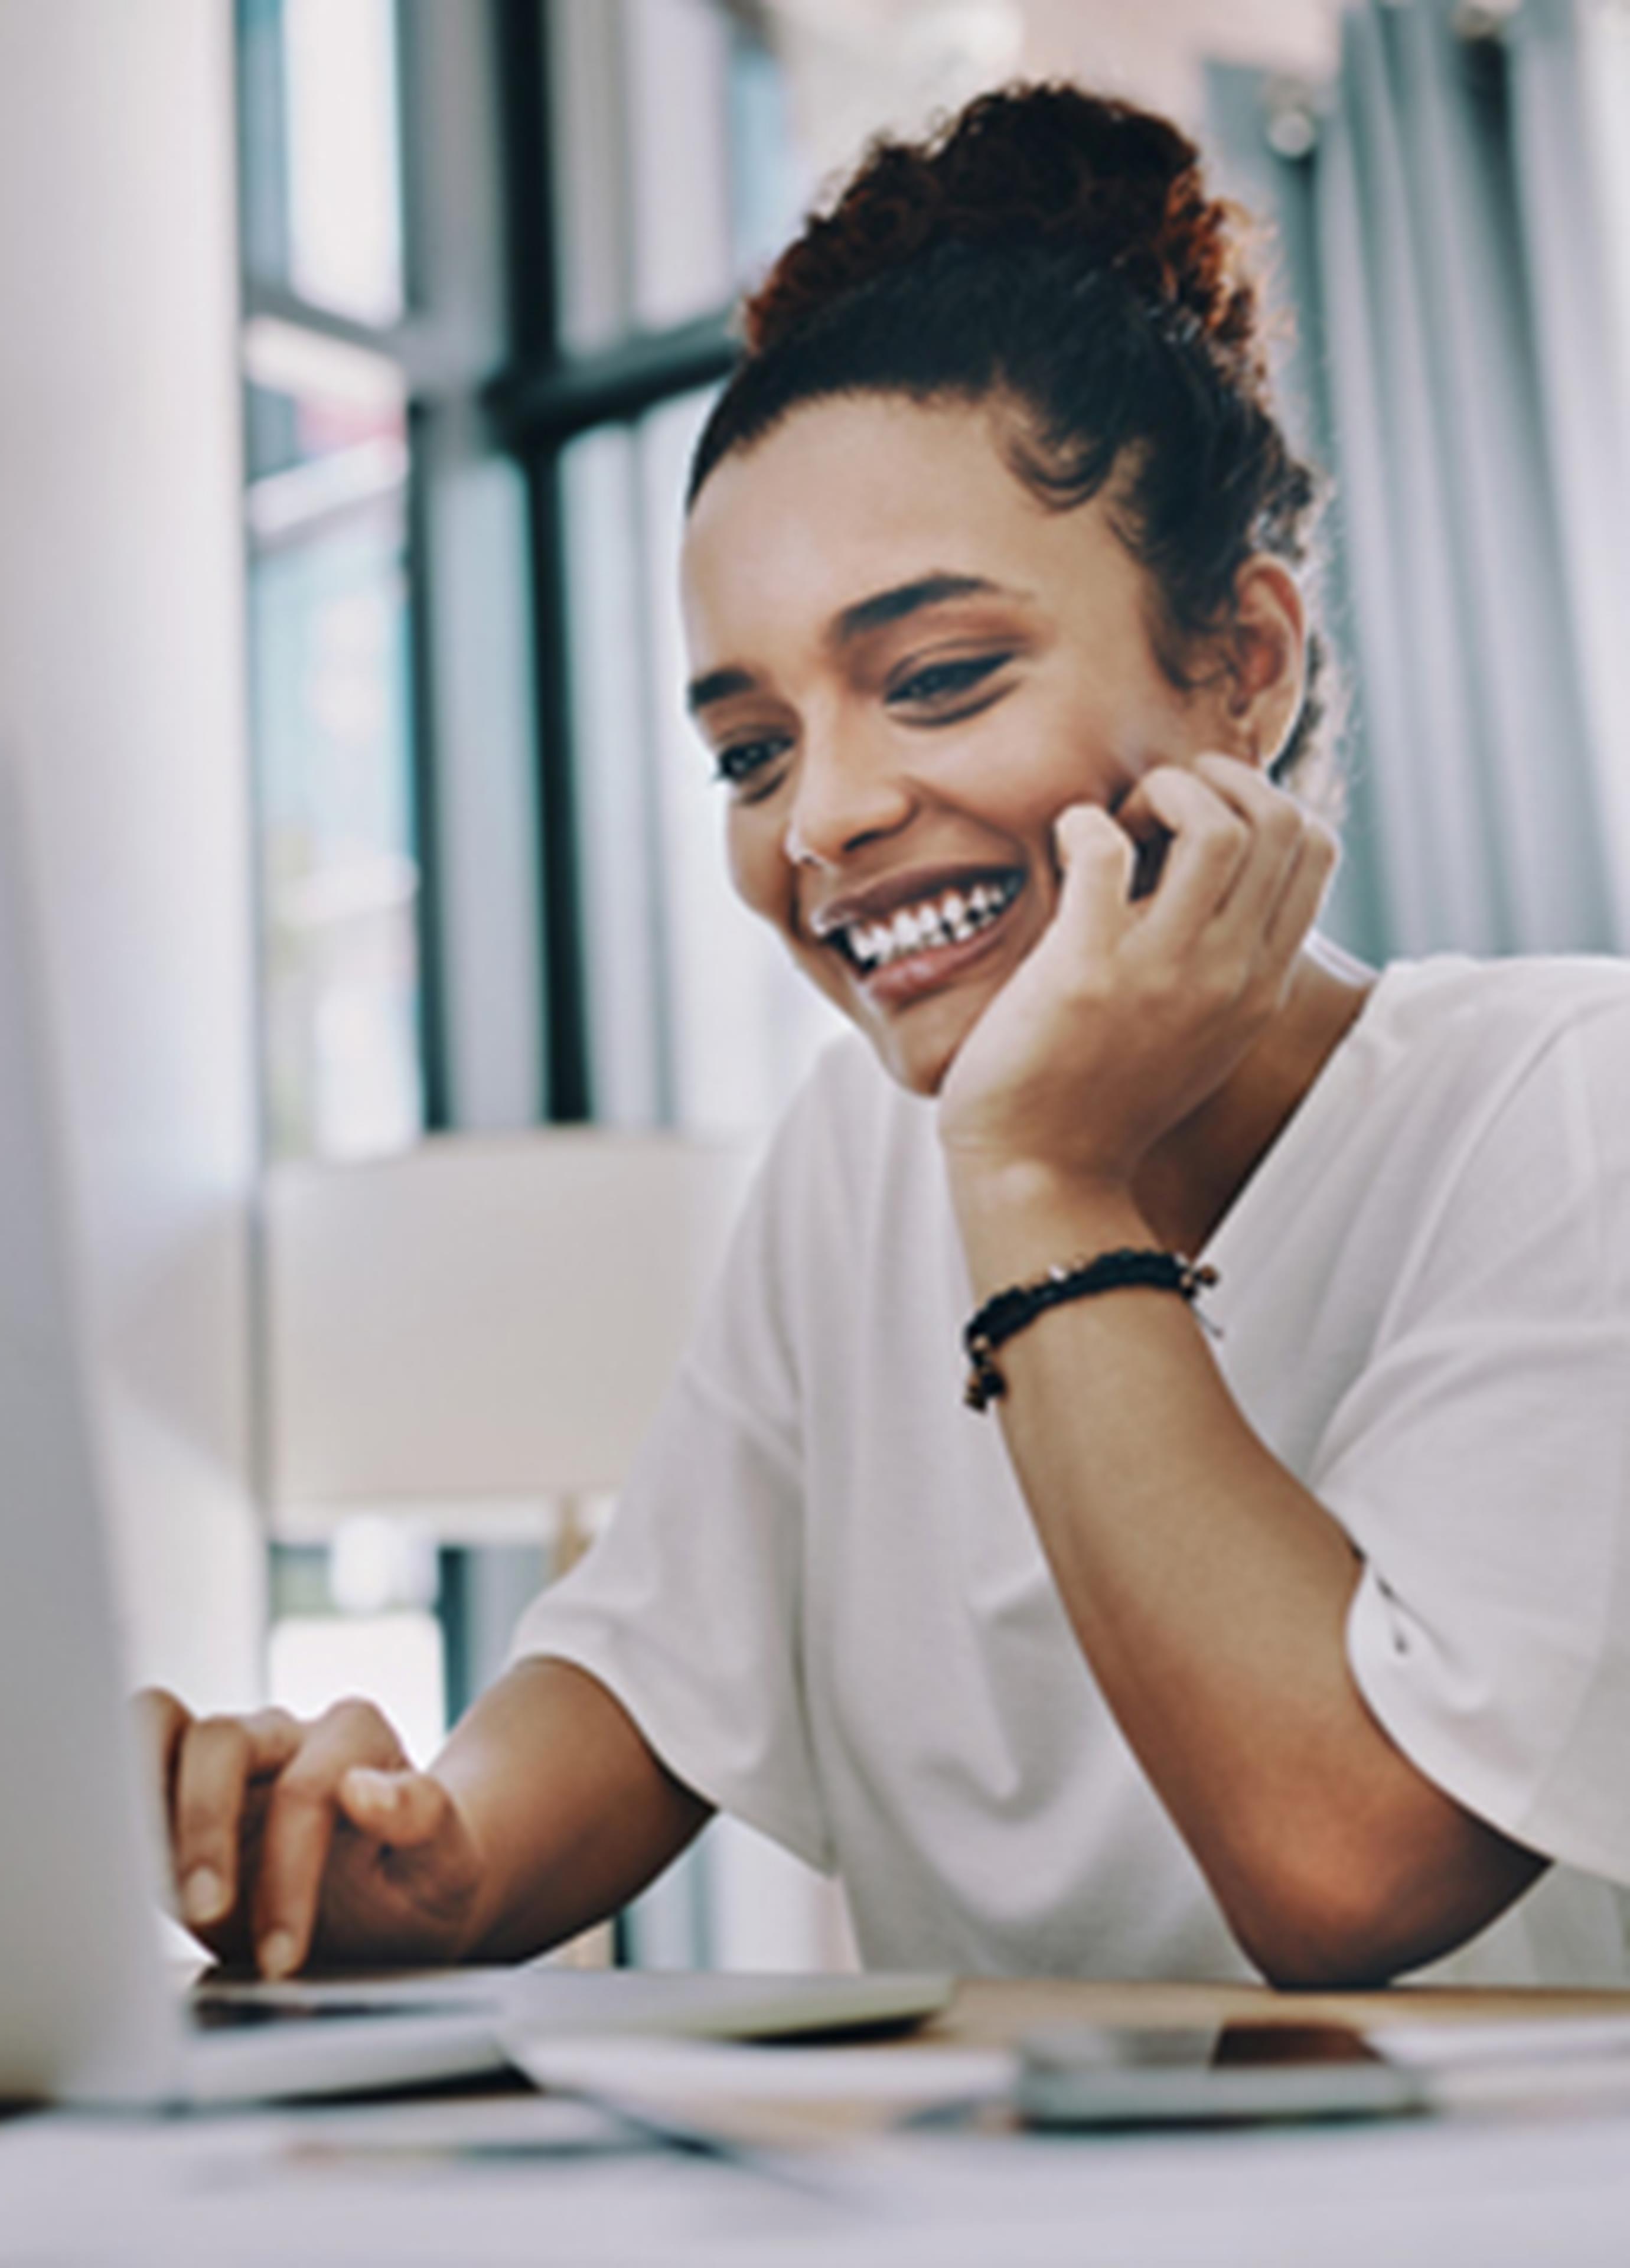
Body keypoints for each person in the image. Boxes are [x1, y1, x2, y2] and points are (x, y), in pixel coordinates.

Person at [139, 83, 1630, 1990]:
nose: (822, 817)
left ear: (1242, 665)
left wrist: (1041, 1171)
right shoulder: (852, 1166)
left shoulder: (1563, 1115)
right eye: (750, 750)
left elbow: (1345, 1868)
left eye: (934, 680)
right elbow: (639, 1679)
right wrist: (403, 1868)